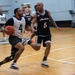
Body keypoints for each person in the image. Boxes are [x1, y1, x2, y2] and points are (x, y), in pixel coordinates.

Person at [29, 2, 62, 67]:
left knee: (48, 45)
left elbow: (51, 19)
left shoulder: (47, 12)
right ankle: (28, 42)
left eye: (39, 5)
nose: (38, 6)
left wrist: (56, 26)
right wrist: (33, 29)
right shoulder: (36, 15)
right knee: (37, 48)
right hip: (39, 33)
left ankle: (44, 60)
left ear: (42, 6)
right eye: (37, 5)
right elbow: (32, 23)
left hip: (47, 33)